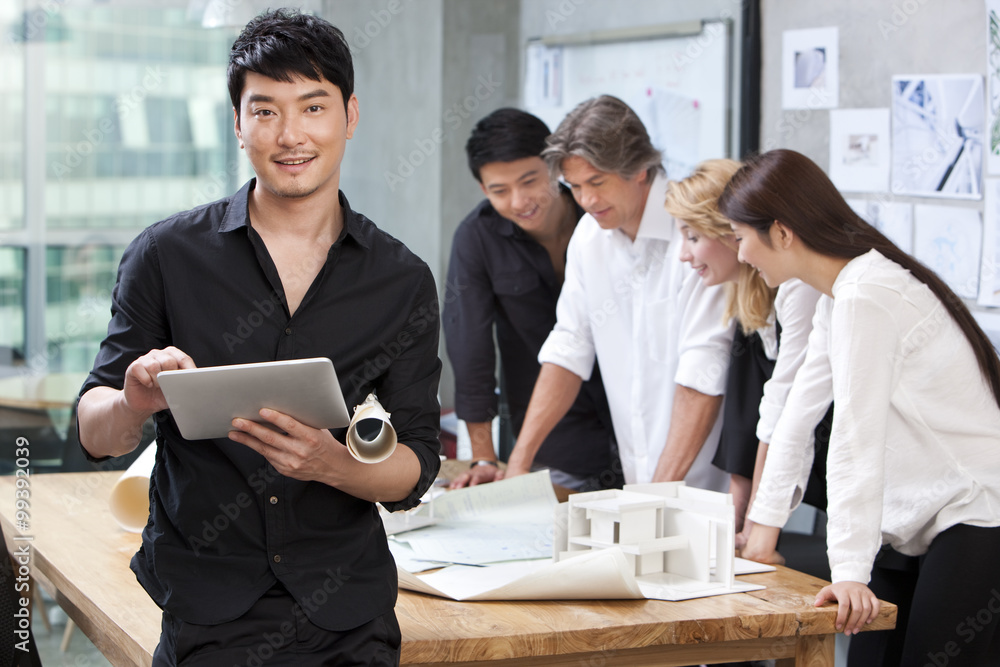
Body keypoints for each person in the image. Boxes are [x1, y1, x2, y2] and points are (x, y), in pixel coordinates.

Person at [76, 10, 442, 666]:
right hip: (208, 614)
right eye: (266, 110)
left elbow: (417, 462)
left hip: (349, 614)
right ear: (238, 122)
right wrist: (132, 403)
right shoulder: (165, 256)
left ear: (350, 116)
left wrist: (332, 464)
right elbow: (94, 433)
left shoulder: (401, 279)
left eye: (312, 106)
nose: (291, 134)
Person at [719, 149, 1000, 664]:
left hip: (977, 511)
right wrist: (763, 529)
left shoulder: (867, 295)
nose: (740, 256)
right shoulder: (836, 294)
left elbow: (856, 437)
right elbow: (796, 415)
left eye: (740, 237)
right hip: (916, 519)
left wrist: (848, 571)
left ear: (781, 232)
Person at [502, 95, 735, 491]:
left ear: (640, 169)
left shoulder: (695, 236)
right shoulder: (590, 238)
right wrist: (518, 466)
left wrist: (657, 497)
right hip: (638, 477)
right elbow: (569, 346)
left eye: (597, 182)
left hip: (711, 489)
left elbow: (703, 370)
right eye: (574, 186)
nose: (587, 200)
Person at [443, 108, 621, 492]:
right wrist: (485, 457)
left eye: (529, 181)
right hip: (553, 436)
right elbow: (470, 350)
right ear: (483, 190)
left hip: (634, 416)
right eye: (499, 191)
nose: (520, 202)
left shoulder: (602, 216)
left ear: (555, 168)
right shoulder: (477, 239)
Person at [664, 158, 827, 546]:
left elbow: (785, 411)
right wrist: (739, 527)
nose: (684, 255)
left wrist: (760, 530)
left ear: (728, 233)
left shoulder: (797, 287)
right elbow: (746, 417)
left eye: (691, 236)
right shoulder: (747, 296)